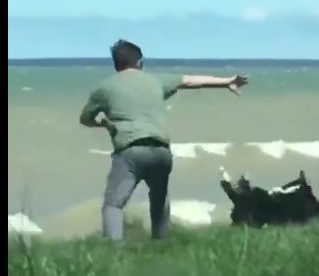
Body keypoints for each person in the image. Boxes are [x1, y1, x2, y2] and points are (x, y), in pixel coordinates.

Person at [79, 39, 248, 240]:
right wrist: (226, 82)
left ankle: (115, 252)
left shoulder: (103, 88)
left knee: (114, 204)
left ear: (116, 64)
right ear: (140, 62)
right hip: (161, 152)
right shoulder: (156, 80)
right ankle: (160, 242)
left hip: (130, 151)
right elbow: (190, 81)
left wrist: (103, 123)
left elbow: (85, 119)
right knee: (159, 199)